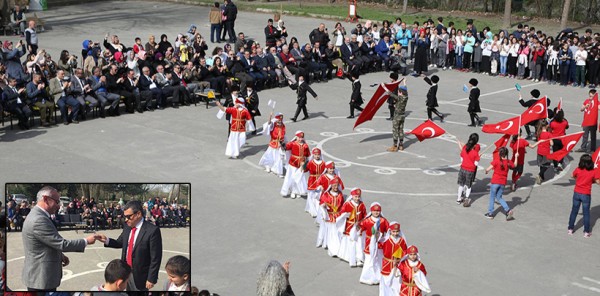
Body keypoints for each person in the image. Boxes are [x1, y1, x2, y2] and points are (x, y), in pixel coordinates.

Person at [22, 186, 98, 291]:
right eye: (57, 202)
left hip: (42, 277)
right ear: (45, 199)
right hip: (40, 279)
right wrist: (86, 241)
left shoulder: (39, 215)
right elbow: (62, 244)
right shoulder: (38, 220)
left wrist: (59, 255)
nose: (58, 206)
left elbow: (46, 242)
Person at [96, 201, 163, 291]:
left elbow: (156, 257)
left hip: (141, 275)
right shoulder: (127, 227)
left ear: (138, 214)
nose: (126, 219)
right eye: (125, 217)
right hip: (125, 272)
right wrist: (106, 240)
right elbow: (120, 242)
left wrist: (151, 278)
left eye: (128, 217)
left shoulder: (152, 231)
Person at [215, 89, 253, 159]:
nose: (235, 104)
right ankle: (233, 153)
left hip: (241, 129)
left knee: (241, 140)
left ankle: (236, 151)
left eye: (236, 103)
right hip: (234, 128)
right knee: (233, 141)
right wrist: (219, 105)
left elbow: (249, 119)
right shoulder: (233, 109)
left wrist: (251, 127)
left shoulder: (245, 111)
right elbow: (224, 109)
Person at [568, 154, 598, 238]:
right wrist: (592, 181)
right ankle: (586, 232)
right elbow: (598, 182)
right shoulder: (593, 171)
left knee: (574, 211)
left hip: (577, 193)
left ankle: (570, 229)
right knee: (586, 213)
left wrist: (578, 179)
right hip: (586, 194)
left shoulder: (578, 169)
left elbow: (572, 176)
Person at [359, 202, 389, 285]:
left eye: (378, 211)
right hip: (369, 244)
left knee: (379, 260)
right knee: (369, 260)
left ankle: (378, 277)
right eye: (375, 211)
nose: (376, 212)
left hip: (379, 244)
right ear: (371, 211)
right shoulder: (367, 221)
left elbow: (388, 230)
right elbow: (360, 228)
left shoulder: (383, 221)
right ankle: (366, 278)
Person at [484, 147, 517, 220]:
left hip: (495, 181)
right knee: (499, 197)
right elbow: (515, 165)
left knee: (492, 197)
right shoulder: (508, 162)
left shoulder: (496, 161)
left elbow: (488, 169)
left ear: (499, 153)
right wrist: (516, 157)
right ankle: (508, 210)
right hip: (503, 182)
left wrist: (486, 171)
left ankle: (490, 213)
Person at [336, 188, 367, 267]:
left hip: (358, 227)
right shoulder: (347, 204)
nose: (357, 198)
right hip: (350, 226)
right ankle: (350, 257)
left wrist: (361, 223)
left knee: (359, 242)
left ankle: (359, 259)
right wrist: (346, 214)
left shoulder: (362, 205)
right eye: (355, 196)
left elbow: (365, 216)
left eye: (358, 197)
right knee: (351, 242)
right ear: (352, 196)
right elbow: (341, 214)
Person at [318, 177, 344, 257]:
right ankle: (331, 247)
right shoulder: (326, 194)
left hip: (337, 216)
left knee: (336, 233)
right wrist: (324, 206)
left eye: (337, 186)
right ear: (331, 186)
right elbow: (321, 204)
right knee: (330, 232)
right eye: (334, 186)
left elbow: (342, 206)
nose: (336, 187)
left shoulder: (340, 194)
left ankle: (335, 247)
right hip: (329, 216)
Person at [379, 221, 407, 296]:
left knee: (396, 282)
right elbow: (378, 246)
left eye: (397, 231)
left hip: (398, 265)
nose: (395, 233)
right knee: (386, 281)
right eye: (393, 231)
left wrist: (399, 259)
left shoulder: (401, 241)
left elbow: (405, 251)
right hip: (387, 264)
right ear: (390, 231)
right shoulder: (385, 240)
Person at [280, 131, 310, 198]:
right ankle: (293, 191)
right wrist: (282, 144)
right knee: (292, 177)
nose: (300, 139)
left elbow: (308, 156)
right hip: (293, 164)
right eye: (299, 137)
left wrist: (305, 164)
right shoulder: (292, 144)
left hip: (301, 165)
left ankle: (298, 191)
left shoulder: (305, 146)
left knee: (299, 178)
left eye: (302, 137)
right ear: (296, 137)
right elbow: (285, 148)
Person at [259, 112, 286, 178]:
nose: (280, 121)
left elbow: (284, 135)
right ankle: (268, 165)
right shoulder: (273, 124)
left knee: (279, 158)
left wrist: (283, 143)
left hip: (280, 145)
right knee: (269, 156)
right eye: (279, 119)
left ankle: (278, 172)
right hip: (273, 143)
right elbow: (268, 124)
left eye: (281, 119)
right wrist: (270, 117)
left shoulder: (283, 126)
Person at [456, 133, 480, 206]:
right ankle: (466, 198)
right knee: (469, 186)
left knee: (461, 185)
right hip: (470, 171)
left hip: (462, 169)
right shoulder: (475, 153)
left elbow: (461, 159)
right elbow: (476, 164)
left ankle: (458, 199)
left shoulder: (464, 150)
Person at [386, 79, 408, 152]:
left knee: (395, 130)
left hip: (397, 116)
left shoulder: (399, 98)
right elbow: (405, 89)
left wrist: (384, 87)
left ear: (400, 92)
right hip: (402, 116)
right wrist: (404, 82)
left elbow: (390, 94)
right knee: (401, 130)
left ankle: (395, 146)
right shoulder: (406, 97)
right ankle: (401, 145)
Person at [305, 148, 325, 218]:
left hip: (320, 181)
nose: (317, 156)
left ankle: (316, 209)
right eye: (315, 155)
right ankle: (311, 209)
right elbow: (305, 170)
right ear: (313, 155)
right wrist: (304, 164)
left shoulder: (323, 163)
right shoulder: (310, 162)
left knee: (318, 196)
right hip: (312, 180)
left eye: (318, 155)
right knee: (310, 195)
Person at [576, 89, 598, 153]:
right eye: (589, 96)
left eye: (591, 96)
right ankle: (583, 147)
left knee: (593, 136)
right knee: (585, 135)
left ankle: (592, 149)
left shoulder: (597, 102)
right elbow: (581, 109)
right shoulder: (586, 101)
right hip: (586, 121)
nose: (590, 97)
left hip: (593, 122)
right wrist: (585, 107)